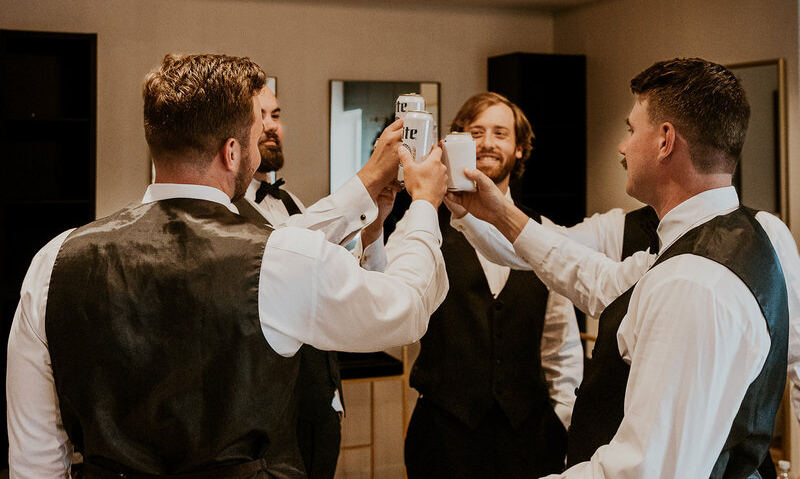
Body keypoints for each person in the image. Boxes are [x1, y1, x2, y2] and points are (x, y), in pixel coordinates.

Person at [6, 53, 449, 478]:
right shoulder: (277, 257)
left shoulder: (54, 260)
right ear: (232, 152)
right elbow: (406, 310)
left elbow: (37, 453)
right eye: (257, 134)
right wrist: (425, 205)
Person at [449, 58, 792, 478]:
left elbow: (644, 471)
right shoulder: (728, 239)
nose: (622, 147)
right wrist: (495, 212)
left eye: (631, 130)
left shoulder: (691, 282)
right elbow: (591, 277)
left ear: (665, 141)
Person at [372, 92, 584, 478]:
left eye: (501, 133)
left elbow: (560, 343)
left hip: (530, 437)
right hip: (443, 434)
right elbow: (385, 297)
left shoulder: (544, 233)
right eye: (476, 132)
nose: (488, 142)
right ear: (456, 144)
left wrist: (562, 423)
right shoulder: (422, 223)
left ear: (519, 149)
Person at [233, 82, 392, 478]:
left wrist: (373, 230)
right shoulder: (227, 212)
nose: (271, 126)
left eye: (277, 115)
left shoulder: (292, 205)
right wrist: (368, 177)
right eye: (259, 116)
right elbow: (279, 254)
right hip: (261, 416)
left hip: (317, 400)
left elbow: (341, 284)